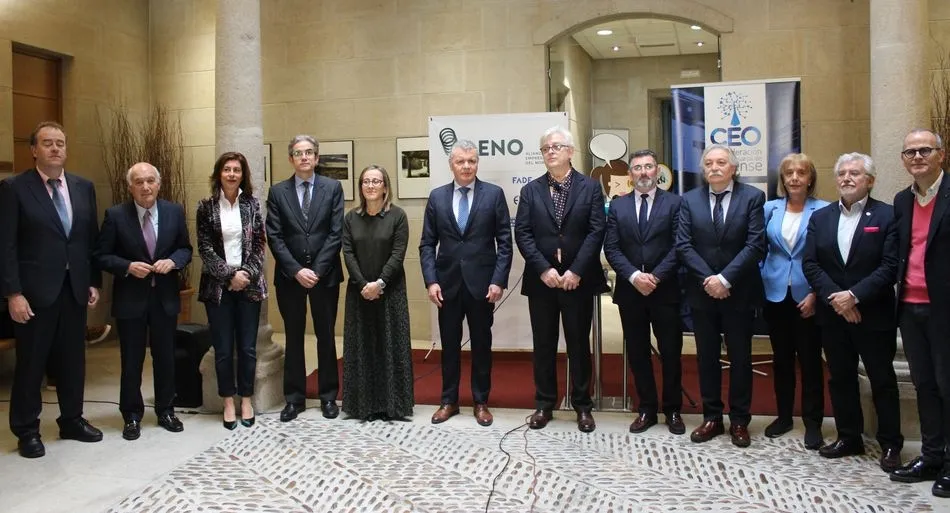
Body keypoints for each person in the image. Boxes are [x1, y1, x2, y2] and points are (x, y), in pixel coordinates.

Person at [0, 121, 103, 458]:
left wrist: (92, 281)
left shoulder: (82, 186)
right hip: (33, 295)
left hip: (73, 290)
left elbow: (88, 240)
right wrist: (13, 293)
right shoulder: (14, 188)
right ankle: (27, 430)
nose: (55, 148)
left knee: (73, 361)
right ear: (34, 150)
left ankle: (71, 419)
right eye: (47, 143)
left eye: (60, 142)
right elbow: (6, 246)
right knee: (31, 364)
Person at [802, 152, 902, 472]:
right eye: (842, 173)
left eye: (855, 173)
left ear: (869, 180)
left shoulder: (887, 215)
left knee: (882, 380)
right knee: (841, 378)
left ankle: (890, 444)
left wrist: (855, 297)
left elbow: (890, 266)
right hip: (834, 315)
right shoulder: (822, 217)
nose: (846, 178)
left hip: (873, 314)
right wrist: (838, 299)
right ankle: (849, 436)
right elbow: (811, 263)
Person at [514, 126, 607, 433]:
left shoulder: (590, 188)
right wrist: (544, 269)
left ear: (570, 151)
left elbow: (597, 231)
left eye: (556, 147)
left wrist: (576, 270)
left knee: (579, 344)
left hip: (578, 281)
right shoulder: (530, 191)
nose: (550, 152)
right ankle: (544, 404)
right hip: (543, 281)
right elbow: (523, 234)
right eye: (545, 148)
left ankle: (582, 405)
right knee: (544, 344)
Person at [675, 144, 766, 448]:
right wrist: (709, 279)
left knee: (740, 358)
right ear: (703, 170)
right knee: (707, 358)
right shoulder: (689, 200)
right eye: (709, 163)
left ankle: (740, 420)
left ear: (733, 168)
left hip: (739, 291)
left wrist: (726, 278)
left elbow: (755, 245)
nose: (714, 167)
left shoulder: (752, 197)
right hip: (702, 293)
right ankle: (711, 416)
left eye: (721, 163)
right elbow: (684, 245)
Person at [96, 162, 192, 440]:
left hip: (164, 299)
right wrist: (127, 266)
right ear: (131, 187)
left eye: (150, 181)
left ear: (158, 184)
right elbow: (101, 255)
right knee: (132, 360)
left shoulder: (174, 212)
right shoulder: (115, 215)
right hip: (131, 300)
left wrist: (173, 261)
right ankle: (132, 415)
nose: (145, 187)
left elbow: (185, 248)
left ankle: (166, 410)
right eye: (139, 182)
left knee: (165, 358)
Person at [419, 140, 512, 427]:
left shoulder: (494, 195)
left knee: (482, 345)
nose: (467, 166)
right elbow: (426, 244)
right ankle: (449, 401)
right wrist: (431, 280)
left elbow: (505, 244)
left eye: (471, 161)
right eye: (461, 161)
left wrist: (498, 280)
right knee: (449, 345)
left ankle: (481, 401)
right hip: (446, 287)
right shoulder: (436, 197)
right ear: (451, 165)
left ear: (477, 163)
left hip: (482, 286)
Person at [603, 149, 685, 435]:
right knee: (638, 353)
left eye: (648, 167)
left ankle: (673, 409)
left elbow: (680, 246)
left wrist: (656, 277)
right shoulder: (618, 206)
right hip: (630, 292)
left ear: (657, 171)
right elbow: (611, 248)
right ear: (630, 175)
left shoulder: (675, 204)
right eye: (637, 168)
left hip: (666, 291)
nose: (643, 173)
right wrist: (635, 276)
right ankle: (647, 408)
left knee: (671, 352)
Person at [266, 135, 344, 422]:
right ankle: (295, 399)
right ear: (291, 159)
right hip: (290, 277)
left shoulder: (332, 188)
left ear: (317, 157)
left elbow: (336, 232)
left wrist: (317, 270)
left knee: (326, 336)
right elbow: (273, 235)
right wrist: (296, 270)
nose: (304, 157)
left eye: (309, 152)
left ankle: (327, 397)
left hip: (325, 276)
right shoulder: (278, 192)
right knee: (294, 336)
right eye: (298, 153)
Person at [890, 129, 950, 495]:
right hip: (910, 307)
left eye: (924, 150)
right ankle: (930, 455)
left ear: (941, 155)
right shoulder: (901, 201)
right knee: (924, 385)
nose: (916, 157)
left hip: (944, 309)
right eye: (909, 152)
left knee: (948, 386)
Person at [760, 153, 828, 450]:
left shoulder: (824, 210)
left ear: (811, 178)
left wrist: (816, 293)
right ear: (783, 179)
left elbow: (827, 257)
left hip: (808, 296)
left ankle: (813, 424)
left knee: (811, 362)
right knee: (781, 360)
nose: (795, 177)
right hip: (775, 293)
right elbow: (758, 247)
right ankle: (784, 416)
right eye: (789, 173)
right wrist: (762, 274)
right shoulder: (769, 209)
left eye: (802, 172)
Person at [196, 152, 267, 430]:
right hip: (218, 289)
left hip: (248, 287)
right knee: (224, 349)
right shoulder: (206, 206)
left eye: (237, 170)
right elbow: (205, 248)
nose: (232, 174)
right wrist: (229, 275)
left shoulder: (252, 205)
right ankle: (228, 401)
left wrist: (245, 274)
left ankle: (246, 399)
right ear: (219, 174)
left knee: (248, 349)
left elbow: (260, 244)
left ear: (243, 175)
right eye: (227, 169)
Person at [341, 165, 413, 421]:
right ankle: (363, 406)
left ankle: (393, 406)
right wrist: (363, 285)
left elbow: (398, 254)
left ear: (385, 186)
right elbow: (347, 253)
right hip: (359, 293)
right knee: (362, 346)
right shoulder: (350, 218)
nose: (371, 186)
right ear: (361, 187)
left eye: (376, 181)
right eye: (366, 181)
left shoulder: (398, 216)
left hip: (390, 292)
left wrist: (379, 283)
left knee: (390, 346)